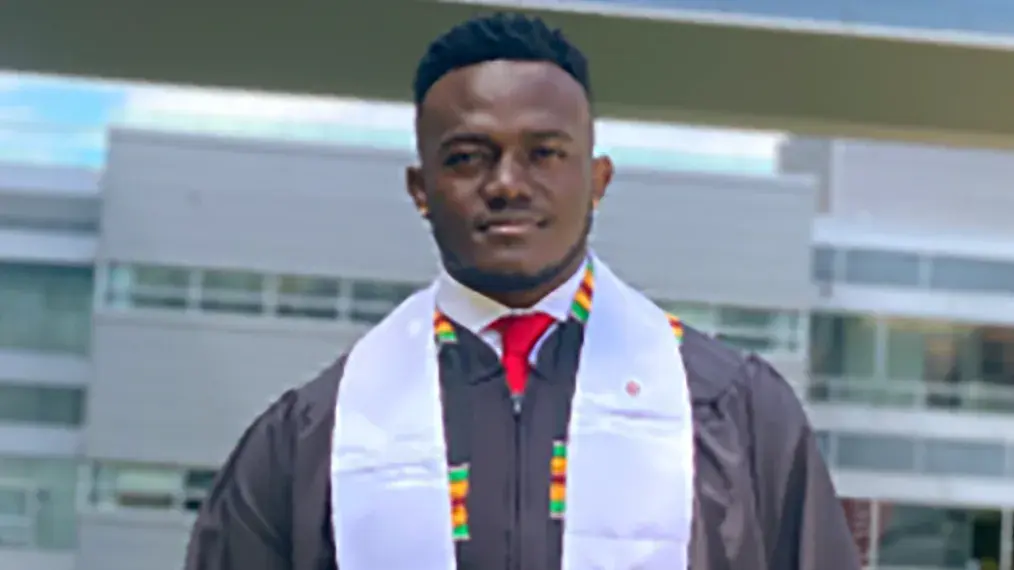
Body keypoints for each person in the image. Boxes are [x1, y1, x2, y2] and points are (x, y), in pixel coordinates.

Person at [185, 12, 860, 570]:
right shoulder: (311, 438)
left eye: (545, 153)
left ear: (597, 179)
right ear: (420, 190)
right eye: (467, 157)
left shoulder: (736, 415)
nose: (507, 183)